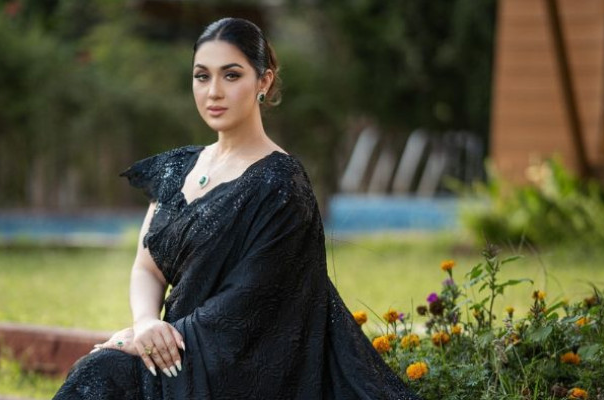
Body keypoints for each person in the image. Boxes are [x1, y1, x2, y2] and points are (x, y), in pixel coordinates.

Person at [53, 17, 420, 400]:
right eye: (202, 76)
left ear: (264, 81)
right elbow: (147, 267)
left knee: (105, 372)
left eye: (231, 75)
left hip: (238, 366)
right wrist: (145, 324)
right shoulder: (176, 168)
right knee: (99, 372)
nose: (213, 91)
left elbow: (250, 303)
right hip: (174, 350)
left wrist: (155, 338)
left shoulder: (280, 183)